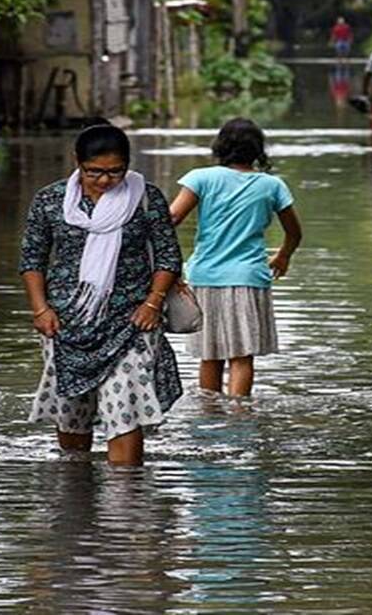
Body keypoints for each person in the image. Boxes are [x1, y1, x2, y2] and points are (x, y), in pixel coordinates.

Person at [20, 123, 184, 466]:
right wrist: (40, 310)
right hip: (66, 324)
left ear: (128, 164)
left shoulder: (145, 197)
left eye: (115, 171)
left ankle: (127, 502)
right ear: (77, 161)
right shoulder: (50, 201)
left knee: (124, 407)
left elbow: (168, 256)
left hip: (131, 322)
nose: (106, 180)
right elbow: (32, 259)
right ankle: (75, 491)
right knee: (71, 410)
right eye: (95, 172)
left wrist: (153, 302)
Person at [170, 118, 303, 397]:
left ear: (220, 147)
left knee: (210, 354)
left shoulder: (201, 178)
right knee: (242, 356)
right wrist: (283, 256)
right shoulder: (272, 185)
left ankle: (209, 413)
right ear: (258, 150)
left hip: (205, 276)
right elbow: (294, 232)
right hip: (249, 277)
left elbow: (172, 219)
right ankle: (240, 414)